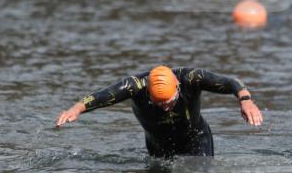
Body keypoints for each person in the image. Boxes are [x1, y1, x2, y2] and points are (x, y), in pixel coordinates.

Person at [56, 66, 262, 158]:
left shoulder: (190, 78)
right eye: (158, 103)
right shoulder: (135, 86)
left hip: (196, 138)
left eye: (169, 101)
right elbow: (103, 95)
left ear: (177, 89)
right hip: (157, 144)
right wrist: (76, 110)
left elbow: (231, 82)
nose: (165, 107)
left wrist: (245, 100)